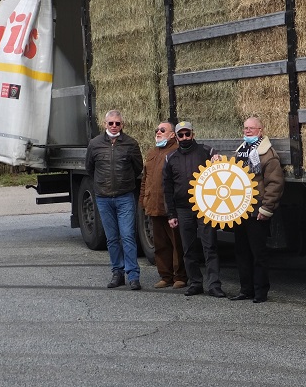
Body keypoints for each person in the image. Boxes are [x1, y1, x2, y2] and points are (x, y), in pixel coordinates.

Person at [162, 121, 226, 298]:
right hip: (183, 209)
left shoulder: (206, 151)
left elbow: (222, 169)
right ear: (176, 136)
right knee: (188, 248)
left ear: (193, 134)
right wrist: (171, 214)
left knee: (210, 246)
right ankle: (195, 282)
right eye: (181, 135)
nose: (184, 138)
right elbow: (166, 188)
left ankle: (214, 285)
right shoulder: (170, 158)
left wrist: (218, 159)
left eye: (187, 134)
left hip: (205, 208)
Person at [86, 109, 144, 291]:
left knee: (127, 236)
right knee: (111, 238)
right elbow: (90, 168)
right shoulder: (94, 144)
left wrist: (124, 182)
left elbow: (138, 168)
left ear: (122, 124)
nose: (114, 126)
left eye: (117, 123)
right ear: (105, 124)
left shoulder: (131, 144)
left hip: (124, 196)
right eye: (110, 123)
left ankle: (133, 275)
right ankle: (117, 273)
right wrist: (103, 184)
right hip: (103, 198)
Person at [229, 116, 284, 303]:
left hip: (256, 210)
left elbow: (274, 184)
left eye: (251, 128)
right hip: (240, 209)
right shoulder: (241, 152)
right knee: (242, 252)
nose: (247, 131)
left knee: (258, 253)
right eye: (245, 128)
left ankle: (261, 292)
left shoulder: (268, 155)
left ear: (261, 131)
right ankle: (246, 290)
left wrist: (266, 208)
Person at [139, 120, 187, 290]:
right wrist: (143, 201)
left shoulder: (176, 152)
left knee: (177, 243)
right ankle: (165, 276)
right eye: (157, 130)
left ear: (173, 135)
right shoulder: (152, 152)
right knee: (160, 244)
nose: (158, 132)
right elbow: (145, 179)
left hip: (169, 208)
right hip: (154, 206)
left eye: (162, 130)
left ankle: (179, 276)